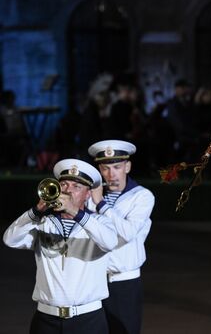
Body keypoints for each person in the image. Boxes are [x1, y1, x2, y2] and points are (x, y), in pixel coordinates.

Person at [3, 159, 117, 334]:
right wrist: (36, 210)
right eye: (63, 184)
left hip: (89, 319)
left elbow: (110, 242)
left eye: (76, 187)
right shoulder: (43, 223)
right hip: (46, 319)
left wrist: (76, 212)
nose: (67, 190)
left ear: (87, 195)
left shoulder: (99, 222)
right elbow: (10, 239)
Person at [87, 140, 155, 334]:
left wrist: (100, 204)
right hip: (93, 281)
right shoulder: (89, 196)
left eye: (117, 167)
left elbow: (127, 232)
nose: (111, 174)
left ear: (128, 166)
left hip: (124, 282)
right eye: (105, 168)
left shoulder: (142, 196)